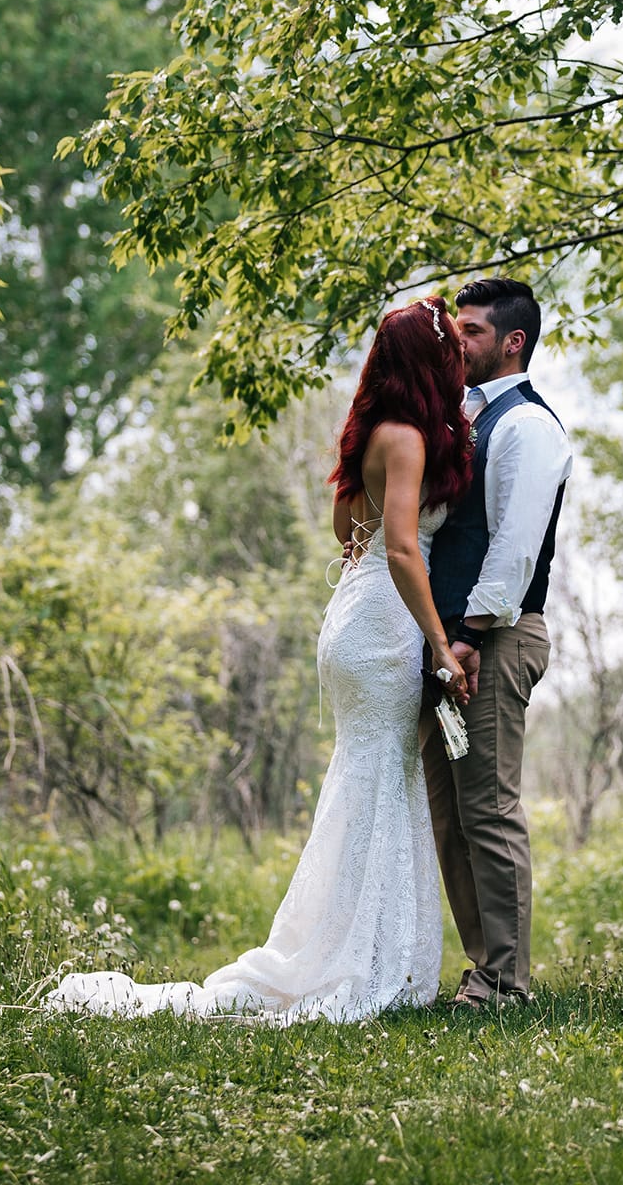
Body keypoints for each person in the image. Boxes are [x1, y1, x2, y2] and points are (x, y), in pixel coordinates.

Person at [44, 296, 475, 1023]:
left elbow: (348, 529)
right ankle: (361, 962)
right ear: (431, 363)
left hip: (354, 614)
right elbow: (402, 546)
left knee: (367, 779)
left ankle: (367, 951)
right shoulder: (406, 438)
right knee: (378, 780)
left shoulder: (372, 431)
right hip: (385, 623)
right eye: (452, 354)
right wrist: (438, 639)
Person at [422, 277, 573, 1010]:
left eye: (473, 331)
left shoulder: (527, 427)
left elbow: (515, 546)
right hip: (448, 644)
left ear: (513, 342)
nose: (459, 340)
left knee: (488, 808)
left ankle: (507, 982)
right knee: (450, 813)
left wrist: (473, 635)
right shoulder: (462, 418)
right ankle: (484, 966)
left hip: (497, 639)